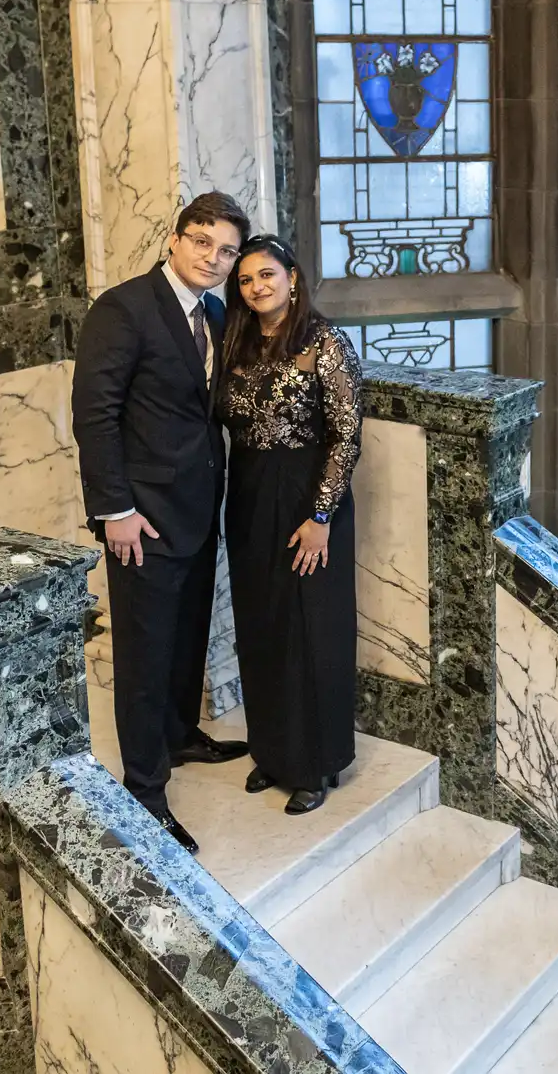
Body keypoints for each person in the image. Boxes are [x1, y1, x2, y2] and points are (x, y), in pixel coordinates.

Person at [71, 193, 253, 852]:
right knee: (146, 656)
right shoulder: (124, 308)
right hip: (141, 518)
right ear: (175, 238)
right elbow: (95, 416)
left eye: (227, 250)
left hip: (200, 508)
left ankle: (180, 735)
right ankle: (145, 790)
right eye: (202, 241)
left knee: (186, 635)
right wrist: (114, 511)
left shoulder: (215, 310)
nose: (214, 257)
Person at [217, 236, 362, 814]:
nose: (256, 287)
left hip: (308, 496)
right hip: (250, 493)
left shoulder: (326, 343)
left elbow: (346, 437)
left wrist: (320, 515)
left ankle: (315, 764)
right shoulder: (238, 339)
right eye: (246, 279)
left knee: (309, 628)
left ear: (293, 277)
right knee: (261, 623)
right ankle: (272, 753)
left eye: (267, 275)